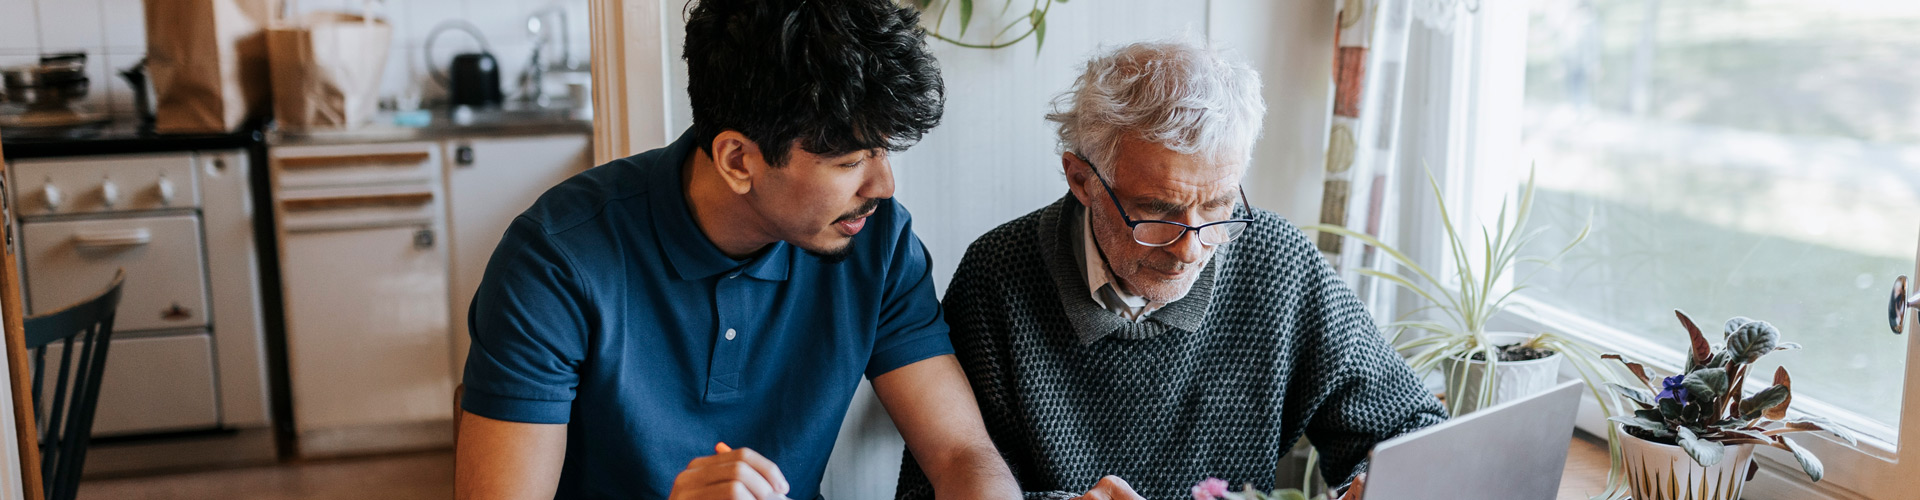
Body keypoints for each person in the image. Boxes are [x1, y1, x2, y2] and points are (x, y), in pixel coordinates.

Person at [454, 1, 1021, 498]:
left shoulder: (878, 242)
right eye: (849, 162)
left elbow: (960, 455)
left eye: (882, 152)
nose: (883, 187)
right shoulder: (555, 261)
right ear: (737, 160)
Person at [895, 40, 1446, 500]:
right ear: (1081, 179)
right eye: (1158, 211)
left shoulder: (1275, 261)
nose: (1190, 250)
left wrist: (1372, 483)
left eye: (1218, 206)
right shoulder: (998, 277)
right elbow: (938, 486)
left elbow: (1411, 431)